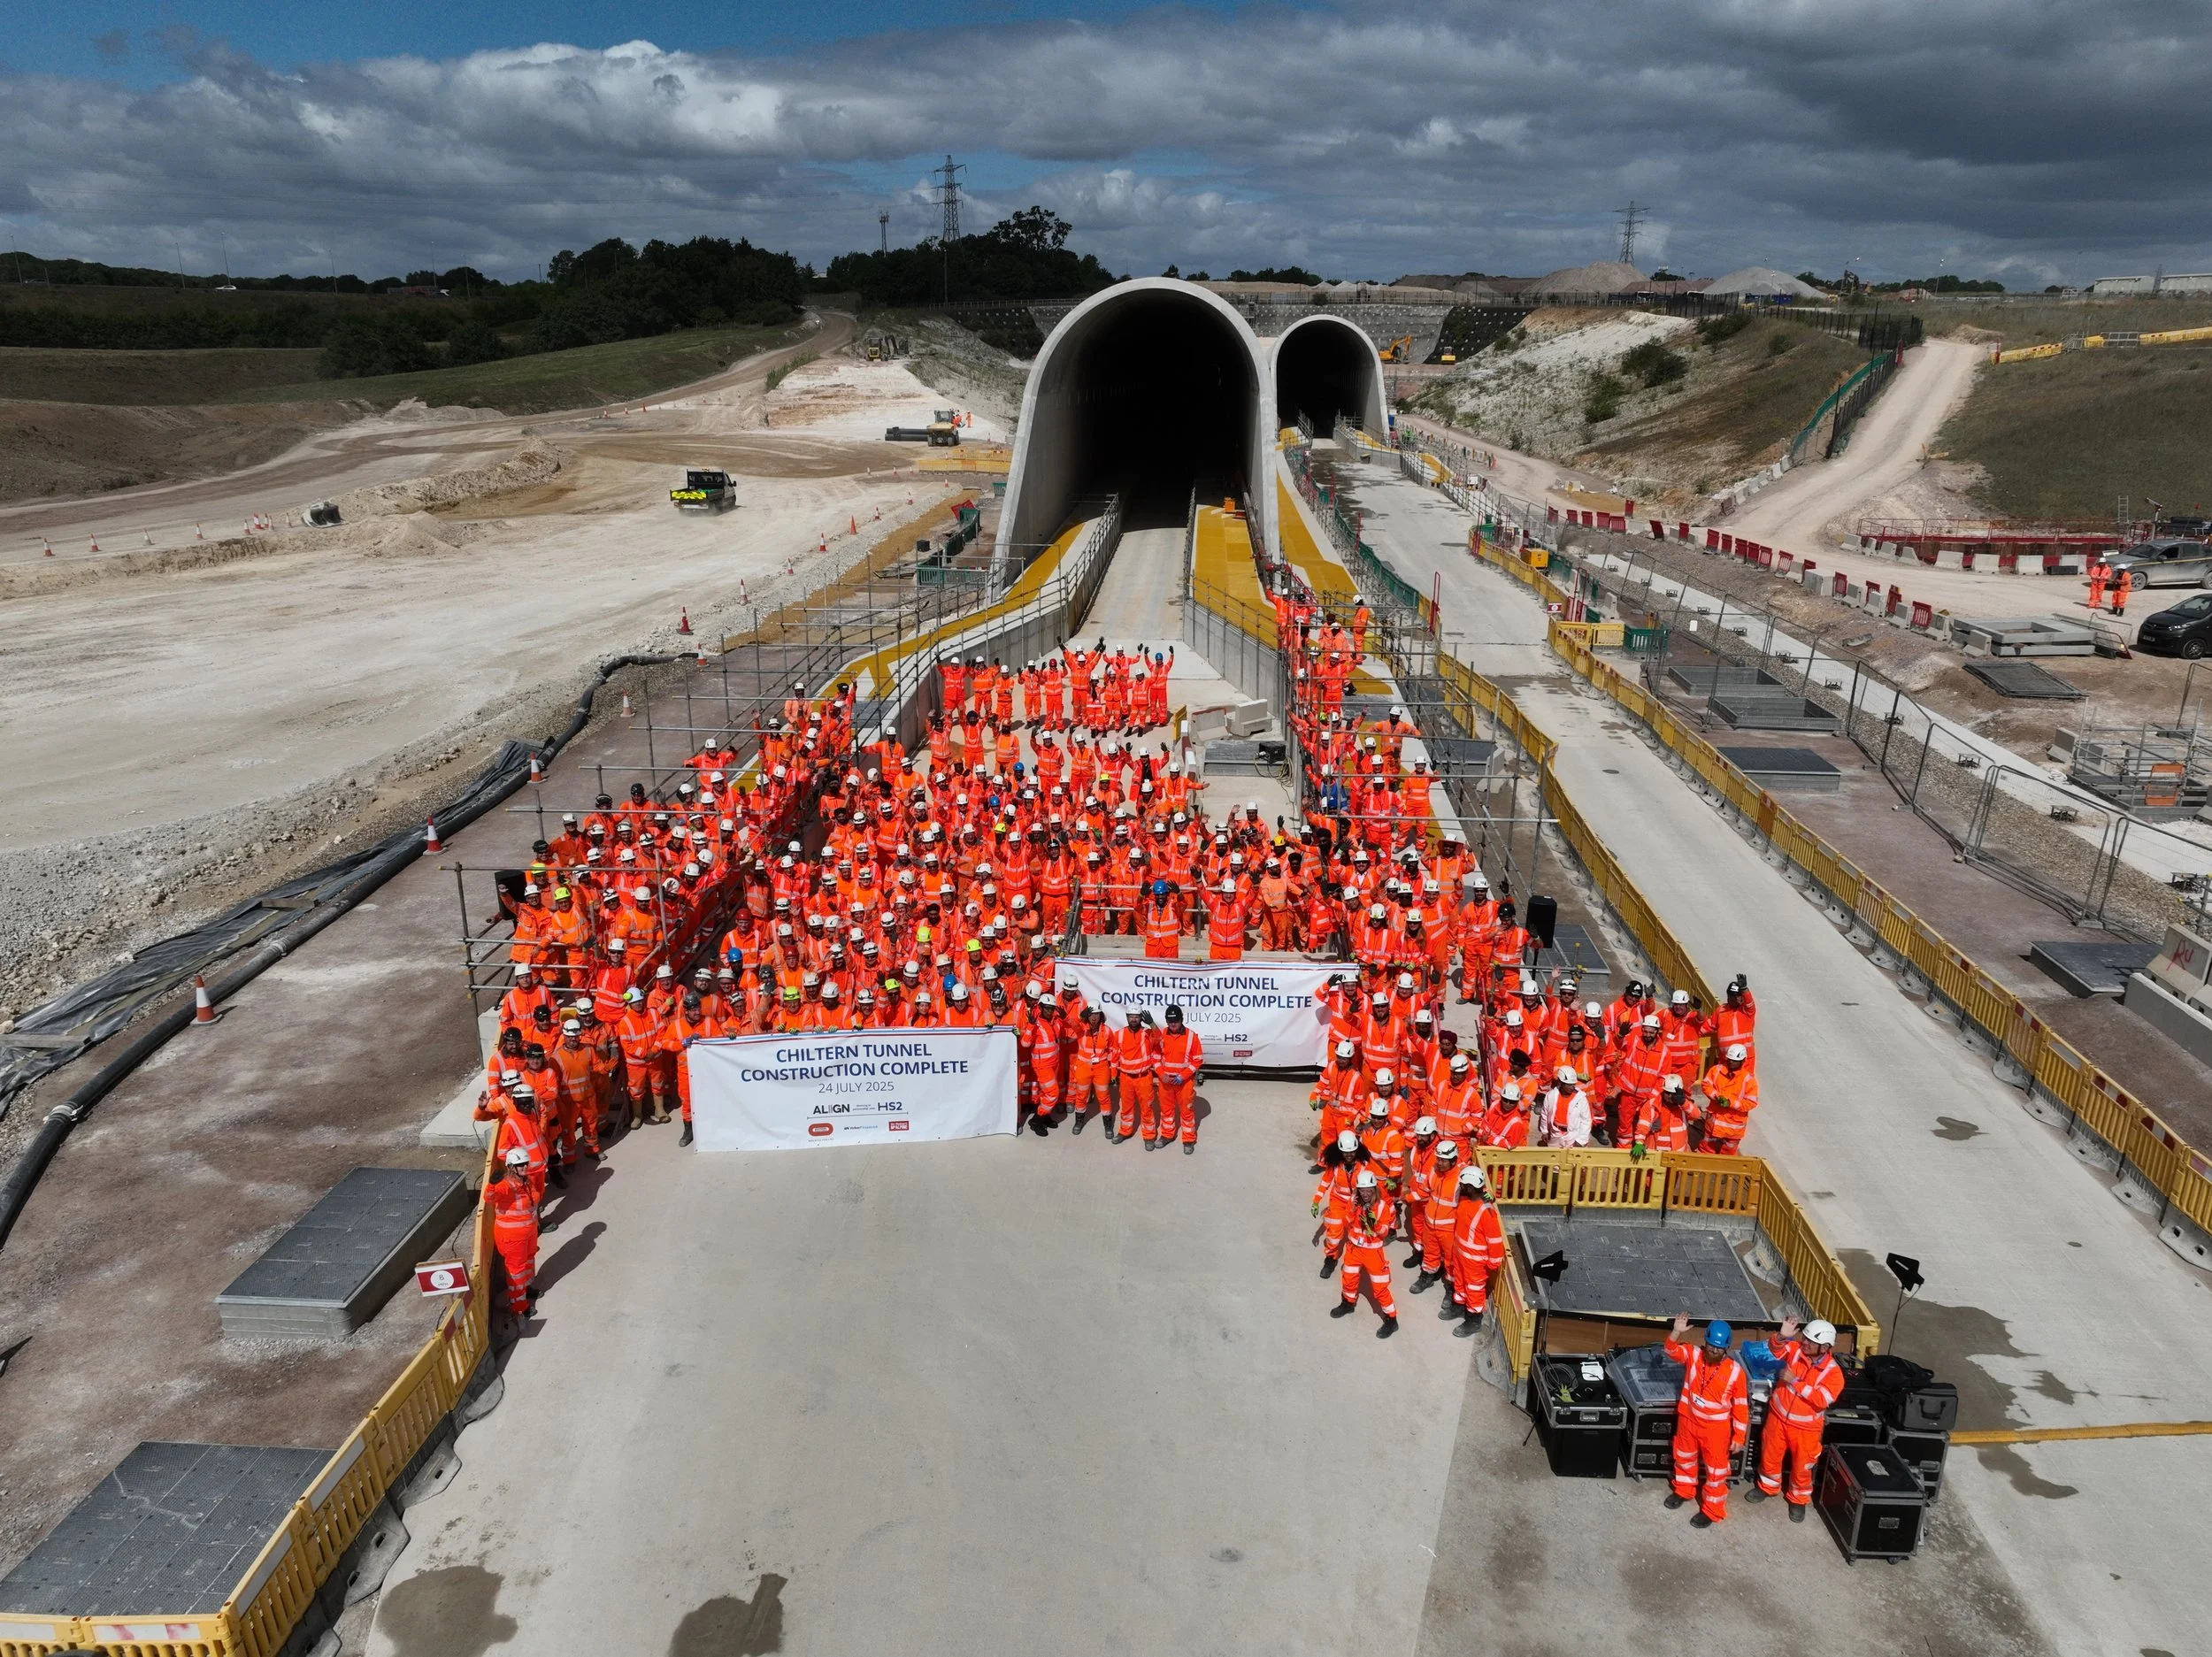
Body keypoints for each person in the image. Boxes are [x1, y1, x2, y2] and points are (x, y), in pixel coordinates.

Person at [1752, 1316, 1843, 1521]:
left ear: (1824, 1348)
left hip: (1806, 1429)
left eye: (1811, 1341)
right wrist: (1781, 1336)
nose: (1805, 1342)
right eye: (1805, 1338)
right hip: (1777, 1418)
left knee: (1803, 1467)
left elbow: (1821, 1399)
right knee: (1769, 1456)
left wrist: (1795, 1381)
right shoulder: (1796, 1350)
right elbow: (1775, 1350)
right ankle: (1767, 1487)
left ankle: (1798, 1499)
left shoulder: (1834, 1374)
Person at [1663, 1316, 1749, 1527]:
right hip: (1689, 1420)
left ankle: (1712, 1510)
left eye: (1719, 1348)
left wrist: (1739, 1436)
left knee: (1716, 1471)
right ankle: (1684, 1490)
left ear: (1726, 1348)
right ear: (1705, 1342)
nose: (1714, 1351)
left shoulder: (1735, 1372)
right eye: (1711, 1346)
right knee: (1684, 1458)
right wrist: (1676, 1332)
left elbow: (1741, 1406)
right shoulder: (1693, 1355)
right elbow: (1671, 1350)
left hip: (1716, 1431)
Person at [1330, 1166, 1399, 1337]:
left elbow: (1384, 1232)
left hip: (1373, 1252)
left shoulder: (1383, 1207)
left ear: (1374, 1189)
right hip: (1354, 1249)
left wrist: (1375, 1224)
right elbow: (1346, 1223)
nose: (1365, 1194)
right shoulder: (1353, 1201)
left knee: (1380, 1287)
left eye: (1368, 1190)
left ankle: (1391, 1319)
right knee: (1349, 1278)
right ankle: (1348, 1303)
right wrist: (1353, 1211)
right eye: (1362, 1190)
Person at [1445, 1162, 1504, 1334]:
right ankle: (1459, 1306)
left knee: (1474, 1289)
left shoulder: (1487, 1212)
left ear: (1470, 1188)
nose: (1460, 1187)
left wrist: (1494, 1263)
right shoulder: (1466, 1200)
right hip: (1461, 1255)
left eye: (1463, 1185)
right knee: (1460, 1282)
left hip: (1475, 1262)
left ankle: (1473, 1320)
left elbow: (1495, 1240)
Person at [488, 1147, 541, 1319]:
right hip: (513, 1238)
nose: (525, 1167)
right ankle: (519, 1306)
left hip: (529, 1232)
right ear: (511, 1167)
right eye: (520, 1165)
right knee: (516, 1271)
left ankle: (526, 1288)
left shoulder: (526, 1180)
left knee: (529, 1260)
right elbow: (489, 1198)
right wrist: (492, 1185)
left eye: (526, 1163)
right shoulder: (505, 1185)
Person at [1155, 1004, 1204, 1155]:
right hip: (1166, 1082)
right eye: (1170, 1021)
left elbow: (1198, 1060)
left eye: (1176, 1021)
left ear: (1182, 1020)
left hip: (1184, 1082)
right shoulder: (1161, 1035)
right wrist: (1161, 1074)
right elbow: (1155, 1057)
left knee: (1187, 1111)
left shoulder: (1192, 1036)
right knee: (1166, 1111)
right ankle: (1167, 1135)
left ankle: (1188, 1139)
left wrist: (1183, 1076)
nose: (1173, 1024)